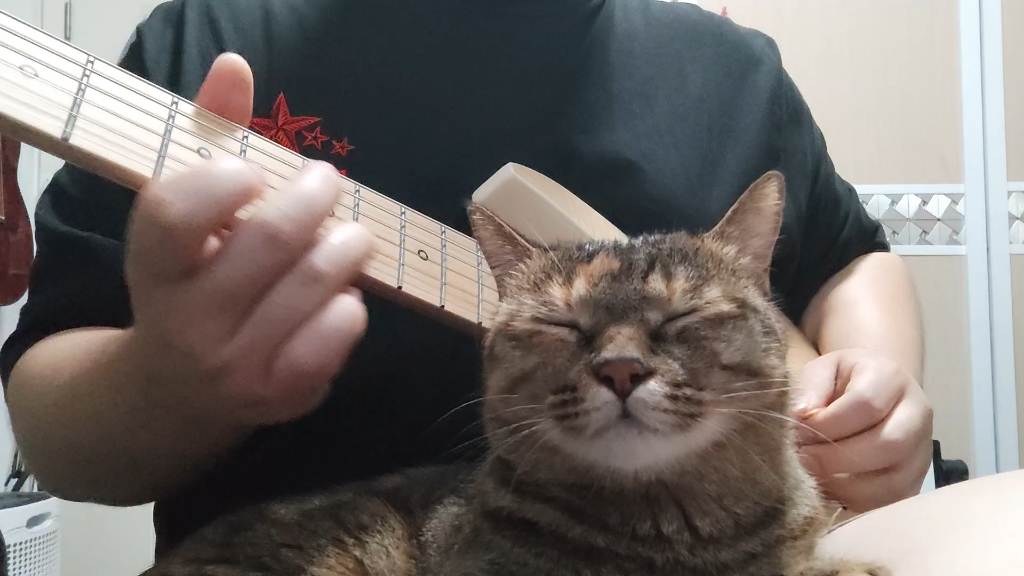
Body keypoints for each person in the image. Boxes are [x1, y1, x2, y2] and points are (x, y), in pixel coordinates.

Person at [1, 0, 937, 562]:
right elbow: (56, 437)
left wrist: (874, 385)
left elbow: (851, 257)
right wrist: (172, 382)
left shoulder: (732, 69)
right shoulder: (209, 36)